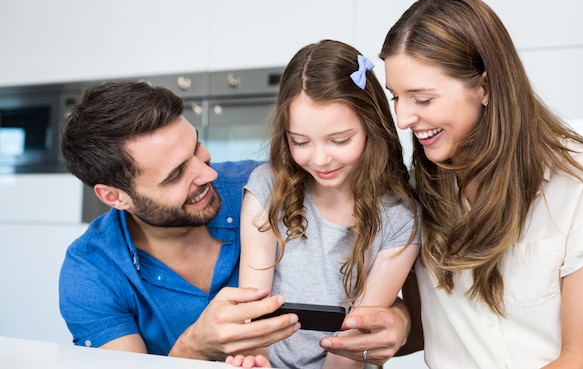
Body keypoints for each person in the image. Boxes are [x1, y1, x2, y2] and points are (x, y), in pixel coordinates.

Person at [58, 80, 415, 363]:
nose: (206, 172)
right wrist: (194, 347)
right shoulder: (91, 272)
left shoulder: (266, 189)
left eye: (197, 148)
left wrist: (400, 318)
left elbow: (356, 268)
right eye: (176, 175)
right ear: (114, 197)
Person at [379, 0, 583, 368]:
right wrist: (393, 320)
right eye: (396, 96)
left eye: (423, 99)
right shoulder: (417, 194)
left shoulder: (582, 185)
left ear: (486, 86)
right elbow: (422, 329)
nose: (403, 118)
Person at [226, 39, 420, 369]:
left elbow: (352, 343)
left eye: (340, 140)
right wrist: (254, 360)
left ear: (371, 127)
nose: (320, 158)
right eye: (299, 141)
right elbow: (252, 313)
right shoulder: (268, 187)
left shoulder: (400, 217)